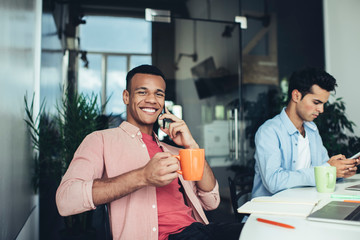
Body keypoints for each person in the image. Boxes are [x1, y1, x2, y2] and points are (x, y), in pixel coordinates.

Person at [56, 65, 243, 240]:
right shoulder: (100, 140)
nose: (152, 100)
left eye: (158, 94)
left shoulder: (172, 149)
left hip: (199, 230)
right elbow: (66, 200)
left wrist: (191, 145)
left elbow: (212, 201)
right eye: (142, 92)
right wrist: (143, 176)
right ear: (126, 97)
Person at [252, 67, 360, 198]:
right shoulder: (269, 132)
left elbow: (324, 169)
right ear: (296, 96)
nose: (321, 110)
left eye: (323, 104)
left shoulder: (312, 130)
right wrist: (327, 169)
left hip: (303, 204)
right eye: (316, 102)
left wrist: (339, 171)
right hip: (271, 211)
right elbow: (274, 181)